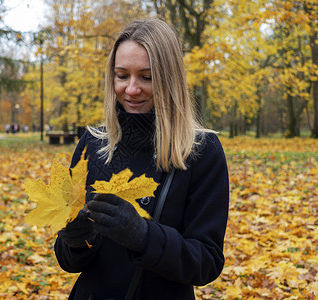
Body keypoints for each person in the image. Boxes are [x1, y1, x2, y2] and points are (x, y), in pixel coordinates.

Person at [54, 18, 229, 299]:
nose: (132, 89)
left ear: (169, 79)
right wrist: (75, 241)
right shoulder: (93, 143)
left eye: (146, 77)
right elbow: (68, 261)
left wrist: (143, 236)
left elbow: (206, 263)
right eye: (122, 76)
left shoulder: (201, 150)